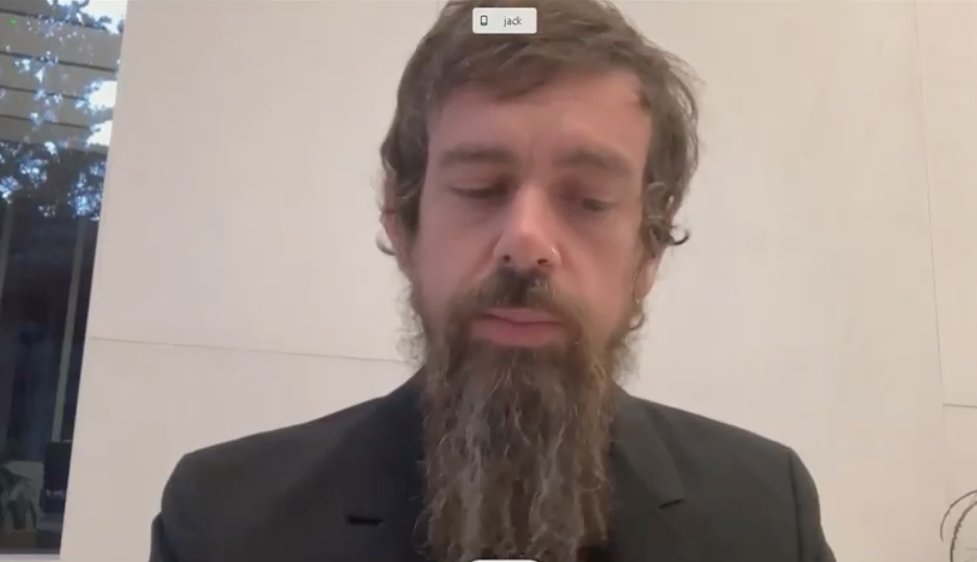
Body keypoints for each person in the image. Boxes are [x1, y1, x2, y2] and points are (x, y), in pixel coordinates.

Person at [149, 1, 837, 561]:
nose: (526, 243)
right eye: (481, 189)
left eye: (588, 201)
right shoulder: (224, 521)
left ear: (649, 250)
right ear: (402, 220)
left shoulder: (766, 515)